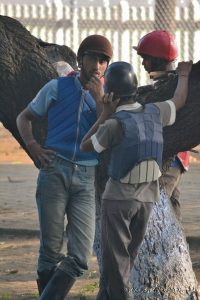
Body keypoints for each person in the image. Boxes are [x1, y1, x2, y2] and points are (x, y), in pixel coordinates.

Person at [80, 60, 192, 300]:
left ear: (111, 94)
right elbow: (180, 101)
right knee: (127, 259)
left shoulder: (113, 124)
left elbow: (85, 146)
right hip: (148, 200)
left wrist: (104, 114)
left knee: (116, 263)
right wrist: (183, 75)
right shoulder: (154, 111)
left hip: (119, 200)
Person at [16, 34, 113, 300]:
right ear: (80, 60)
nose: (97, 64)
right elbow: (24, 117)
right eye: (92, 57)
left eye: (103, 60)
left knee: (80, 256)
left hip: (85, 176)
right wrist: (33, 146)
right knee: (50, 251)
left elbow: (108, 135)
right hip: (54, 170)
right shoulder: (56, 87)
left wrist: (100, 101)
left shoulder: (106, 99)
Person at [133, 30, 190, 220]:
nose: (143, 63)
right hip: (178, 159)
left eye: (145, 58)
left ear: (157, 59)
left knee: (157, 211)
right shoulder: (168, 82)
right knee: (172, 208)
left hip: (169, 160)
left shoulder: (171, 85)